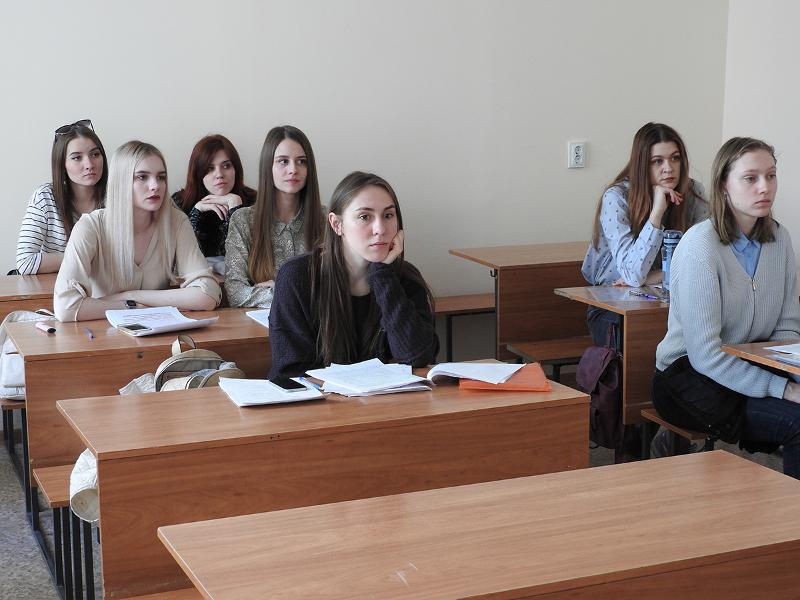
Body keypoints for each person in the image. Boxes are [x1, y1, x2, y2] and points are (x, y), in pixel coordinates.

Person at [653, 137, 800, 478]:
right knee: (797, 424)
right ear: (723, 186)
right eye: (750, 178)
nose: (765, 187)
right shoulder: (699, 246)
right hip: (689, 378)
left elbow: (787, 330)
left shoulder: (779, 239)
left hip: (751, 367)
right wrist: (786, 390)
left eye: (771, 175)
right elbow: (705, 355)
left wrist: (794, 378)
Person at [268, 171, 439, 380]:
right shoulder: (297, 277)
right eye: (364, 217)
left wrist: (383, 276)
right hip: (318, 400)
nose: (380, 229)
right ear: (337, 224)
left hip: (387, 400)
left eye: (388, 215)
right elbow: (292, 372)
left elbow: (418, 358)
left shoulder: (406, 279)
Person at [54, 141, 221, 322]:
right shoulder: (91, 226)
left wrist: (131, 296)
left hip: (160, 331)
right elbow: (66, 307)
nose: (155, 185)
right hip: (103, 332)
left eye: (161, 177)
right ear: (121, 182)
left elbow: (207, 294)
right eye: (142, 177)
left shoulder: (176, 221)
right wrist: (130, 306)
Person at [582, 122, 708, 349]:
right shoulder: (616, 197)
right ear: (642, 164)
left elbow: (704, 263)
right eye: (657, 161)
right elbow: (633, 275)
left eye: (675, 158)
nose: (668, 168)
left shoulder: (693, 192)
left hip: (668, 300)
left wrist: (655, 276)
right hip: (614, 308)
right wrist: (657, 213)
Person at [225, 125, 324, 308]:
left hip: (318, 323)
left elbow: (337, 288)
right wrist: (290, 293)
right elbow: (235, 292)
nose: (293, 169)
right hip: (261, 324)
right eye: (283, 161)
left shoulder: (326, 220)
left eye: (301, 161)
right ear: (268, 166)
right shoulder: (243, 220)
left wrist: (281, 289)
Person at [16, 119, 108, 274]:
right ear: (62, 164)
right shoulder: (45, 198)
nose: (89, 164)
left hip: (106, 287)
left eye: (95, 154)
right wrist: (83, 256)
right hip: (57, 286)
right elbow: (25, 262)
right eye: (77, 157)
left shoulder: (116, 196)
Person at [173, 134, 256, 260]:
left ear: (236, 169)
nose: (219, 174)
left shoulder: (255, 201)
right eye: (209, 168)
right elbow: (182, 259)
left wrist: (235, 209)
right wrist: (196, 214)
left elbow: (246, 259)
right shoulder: (180, 203)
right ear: (198, 173)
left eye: (226, 166)